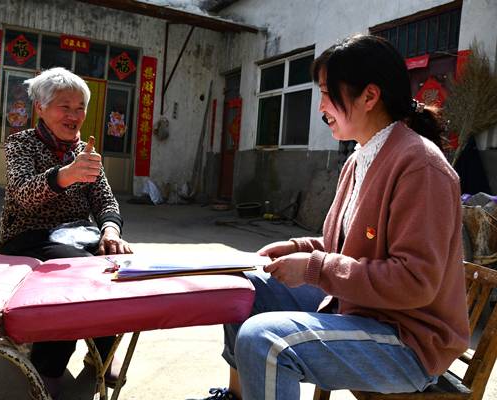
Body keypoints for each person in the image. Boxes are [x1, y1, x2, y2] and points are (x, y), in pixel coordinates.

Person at [200, 34, 470, 400]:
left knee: (266, 341)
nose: (321, 107)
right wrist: (297, 247)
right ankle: (237, 396)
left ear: (370, 97)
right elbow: (345, 246)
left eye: (328, 93)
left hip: (407, 342)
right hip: (361, 313)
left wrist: (314, 267)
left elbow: (414, 281)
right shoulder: (360, 158)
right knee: (245, 288)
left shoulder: (420, 165)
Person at [0, 67, 132, 398]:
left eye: (80, 107)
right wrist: (66, 175)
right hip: (28, 236)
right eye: (64, 106)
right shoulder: (21, 144)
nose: (74, 115)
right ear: (40, 108)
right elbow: (23, 194)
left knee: (121, 267)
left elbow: (105, 200)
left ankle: (102, 351)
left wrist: (111, 231)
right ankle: (48, 366)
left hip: (76, 236)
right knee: (73, 275)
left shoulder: (85, 152)